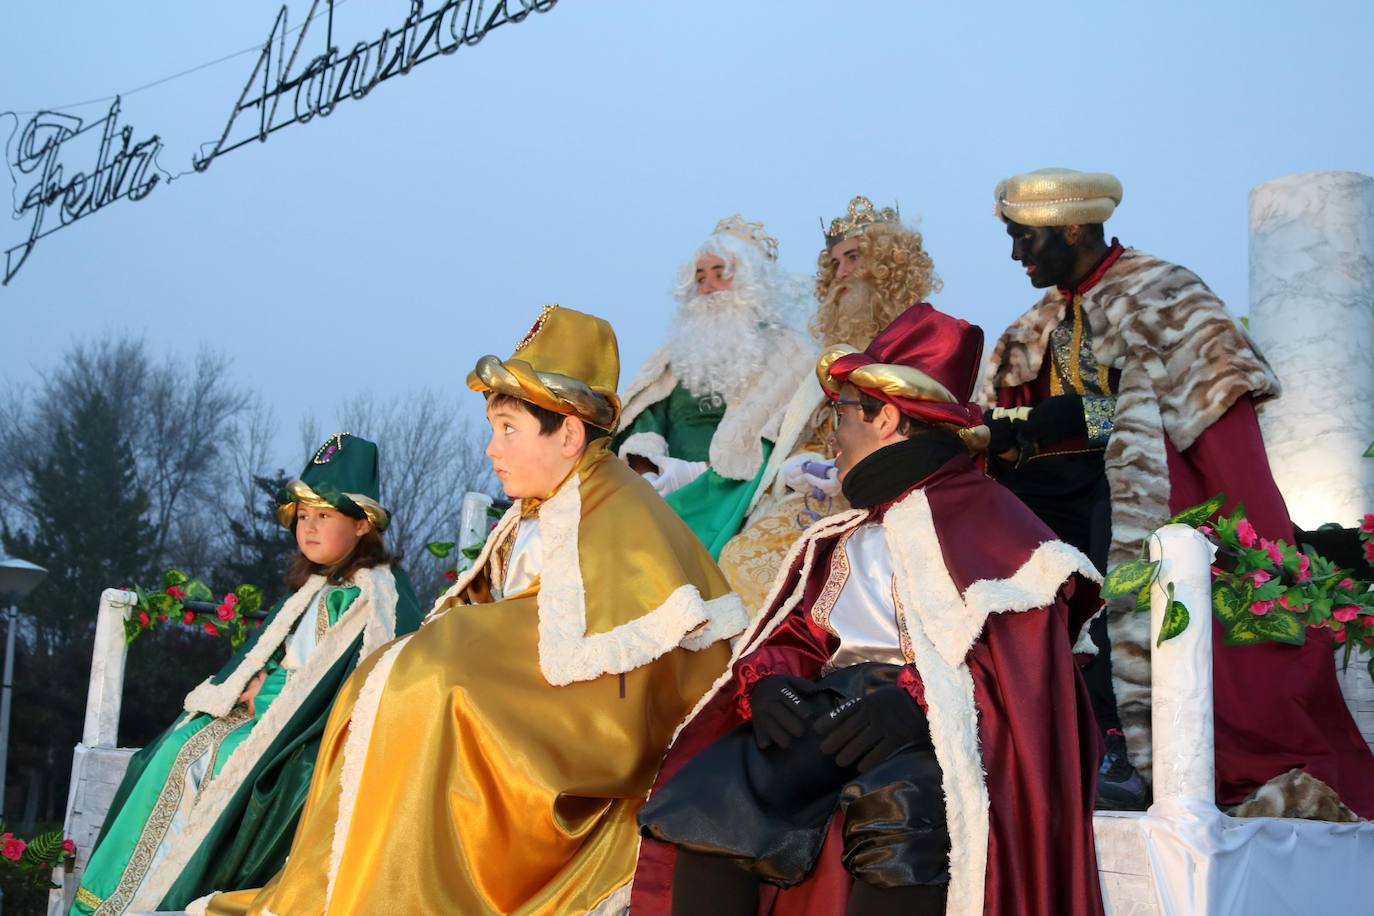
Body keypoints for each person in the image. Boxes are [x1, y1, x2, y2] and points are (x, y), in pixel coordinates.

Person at [204, 305, 745, 916]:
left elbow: (623, 694)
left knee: (433, 689)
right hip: (528, 700)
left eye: (509, 429)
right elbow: (496, 607)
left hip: (594, 746)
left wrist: (455, 651)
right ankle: (356, 889)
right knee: (394, 685)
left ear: (568, 434)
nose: (492, 449)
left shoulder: (619, 513)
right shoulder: (544, 505)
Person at [636, 304, 1105, 916]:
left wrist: (917, 704)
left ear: (885, 417)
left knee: (899, 810)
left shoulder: (999, 528)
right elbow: (805, 631)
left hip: (936, 731)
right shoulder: (846, 534)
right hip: (838, 706)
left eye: (842, 413)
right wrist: (773, 678)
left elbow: (1022, 672)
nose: (833, 433)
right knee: (715, 791)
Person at [982, 167, 1374, 817]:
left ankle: (1118, 746)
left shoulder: (1165, 292)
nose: (1016, 255)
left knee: (1116, 551)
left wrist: (1090, 417)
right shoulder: (1040, 322)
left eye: (1026, 239)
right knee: (997, 535)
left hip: (1152, 482)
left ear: (1073, 227)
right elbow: (1029, 412)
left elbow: (1186, 413)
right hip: (1057, 484)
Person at [74, 434, 422, 915]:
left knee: (206, 760)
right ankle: (112, 899)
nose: (310, 528)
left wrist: (270, 694)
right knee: (171, 748)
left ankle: (159, 897)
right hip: (267, 715)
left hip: (307, 735)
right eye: (303, 516)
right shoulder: (315, 584)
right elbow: (265, 655)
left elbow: (367, 681)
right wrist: (246, 686)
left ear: (363, 524)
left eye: (325, 516)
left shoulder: (379, 596)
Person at [719, 195, 941, 615]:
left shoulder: (930, 341)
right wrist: (801, 465)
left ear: (890, 268)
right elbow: (801, 436)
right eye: (835, 264)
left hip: (893, 502)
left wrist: (853, 469)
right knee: (736, 557)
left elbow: (939, 431)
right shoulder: (827, 359)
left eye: (853, 258)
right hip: (815, 502)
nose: (842, 275)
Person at [614, 215, 812, 557]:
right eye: (700, 277)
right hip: (656, 487)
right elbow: (643, 416)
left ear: (752, 282)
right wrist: (649, 470)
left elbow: (785, 434)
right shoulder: (675, 355)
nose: (706, 288)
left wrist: (698, 475)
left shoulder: (791, 354)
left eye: (720, 274)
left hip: (734, 494)